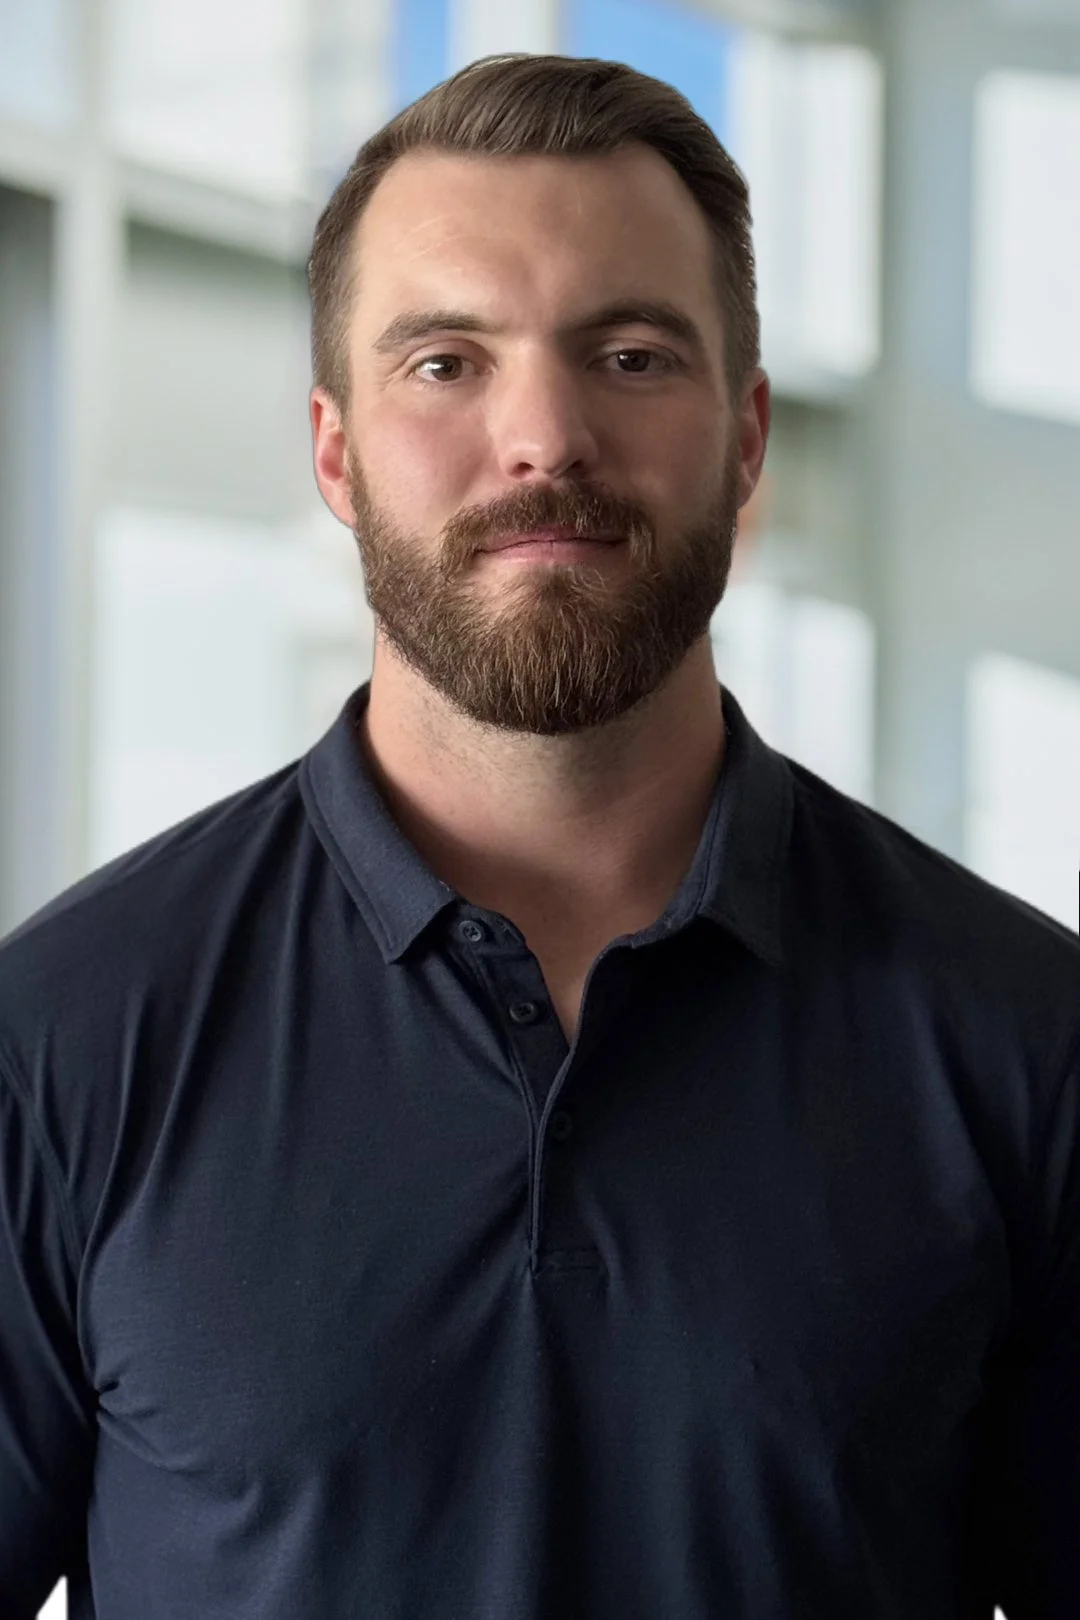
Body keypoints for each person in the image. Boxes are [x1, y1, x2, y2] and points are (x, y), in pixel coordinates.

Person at [0, 51, 1077, 1620]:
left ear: (750, 435)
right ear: (333, 451)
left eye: (632, 355)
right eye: (445, 363)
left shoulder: (1030, 1044)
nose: (545, 439)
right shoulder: (62, 1041)